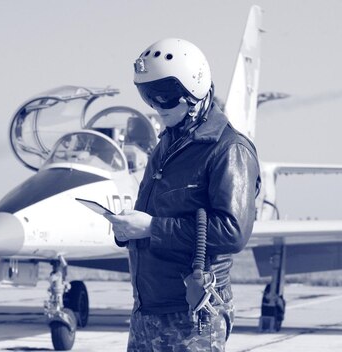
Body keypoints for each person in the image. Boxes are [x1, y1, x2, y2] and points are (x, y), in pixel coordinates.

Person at [104, 38, 261, 351]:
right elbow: (154, 213)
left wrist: (150, 228)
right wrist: (127, 229)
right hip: (148, 311)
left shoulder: (229, 150)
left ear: (194, 92)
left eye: (165, 98)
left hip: (193, 317)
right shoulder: (167, 145)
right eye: (149, 97)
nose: (157, 108)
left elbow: (232, 233)